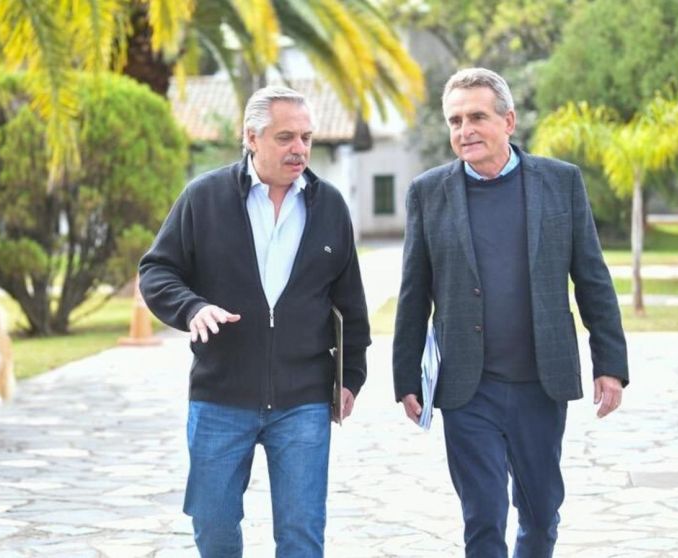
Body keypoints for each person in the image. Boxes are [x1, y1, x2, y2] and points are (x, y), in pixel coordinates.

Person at [392, 68, 629, 557]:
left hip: (540, 384)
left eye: (477, 116)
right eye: (455, 121)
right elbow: (414, 292)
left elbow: (592, 278)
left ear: (509, 120)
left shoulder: (560, 183)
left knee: (541, 515)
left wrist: (610, 364)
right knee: (482, 519)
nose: (465, 130)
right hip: (466, 387)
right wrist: (406, 378)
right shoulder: (428, 192)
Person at [139, 85, 370, 558]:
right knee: (214, 526)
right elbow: (157, 270)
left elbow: (351, 303)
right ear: (251, 137)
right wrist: (192, 307)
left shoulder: (330, 208)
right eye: (286, 137)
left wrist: (353, 377)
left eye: (306, 137)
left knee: (302, 534)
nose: (300, 149)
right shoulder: (203, 198)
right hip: (220, 396)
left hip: (303, 399)